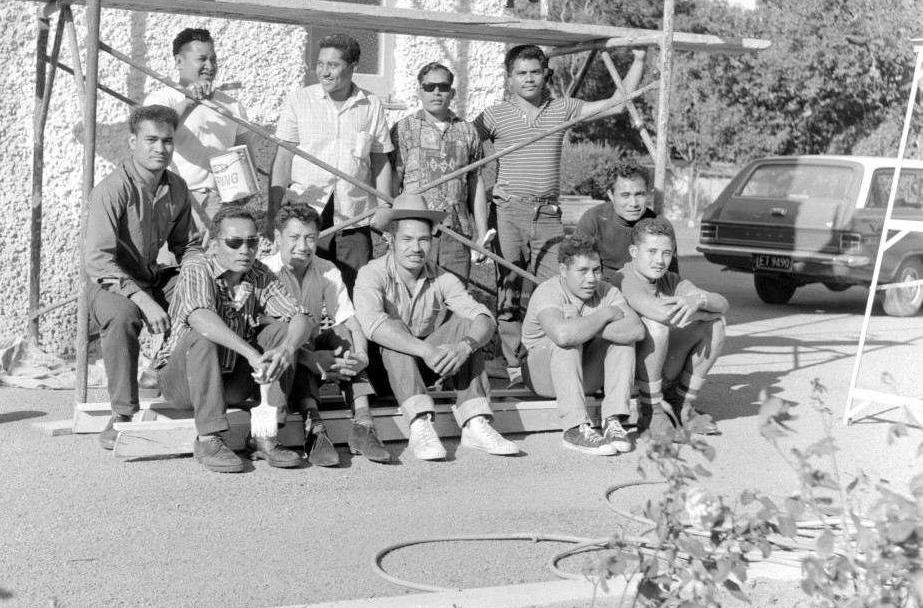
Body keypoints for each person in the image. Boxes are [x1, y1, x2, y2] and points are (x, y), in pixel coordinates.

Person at [473, 43, 646, 385]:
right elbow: (463, 148)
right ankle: (511, 364)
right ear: (509, 78)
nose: (528, 79)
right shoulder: (493, 115)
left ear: (545, 74)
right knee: (508, 288)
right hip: (508, 211)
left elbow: (616, 102)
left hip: (548, 213)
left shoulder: (562, 108)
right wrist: (490, 187)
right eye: (521, 73)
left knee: (559, 283)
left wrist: (640, 59)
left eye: (535, 71)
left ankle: (556, 356)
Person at [354, 194, 520, 461]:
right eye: (407, 239)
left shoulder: (442, 276)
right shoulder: (372, 272)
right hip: (379, 372)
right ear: (390, 240)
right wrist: (426, 350)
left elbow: (484, 318)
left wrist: (464, 346)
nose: (416, 248)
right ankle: (420, 423)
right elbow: (374, 326)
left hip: (423, 367)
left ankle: (475, 422)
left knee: (467, 326)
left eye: (423, 239)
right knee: (394, 330)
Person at [153, 204, 316, 473]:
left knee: (282, 331)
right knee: (204, 336)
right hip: (184, 384)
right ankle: (208, 440)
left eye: (252, 242)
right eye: (234, 242)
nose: (245, 250)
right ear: (215, 244)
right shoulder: (197, 266)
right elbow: (200, 317)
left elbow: (301, 315)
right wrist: (251, 354)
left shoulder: (259, 273)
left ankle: (265, 434)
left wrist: (288, 348)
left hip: (232, 382)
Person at [85, 105, 202, 450]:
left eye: (167, 141)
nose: (160, 148)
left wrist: (198, 275)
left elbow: (189, 246)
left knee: (203, 295)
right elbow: (98, 261)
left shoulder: (177, 187)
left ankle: (171, 377)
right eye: (151, 140)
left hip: (151, 277)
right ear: (132, 141)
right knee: (125, 316)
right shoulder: (112, 189)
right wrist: (144, 300)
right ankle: (122, 413)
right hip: (108, 283)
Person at [263, 201, 390, 466]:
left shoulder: (326, 268)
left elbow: (349, 319)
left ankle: (363, 423)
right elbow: (266, 335)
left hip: (314, 350)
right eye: (294, 237)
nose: (303, 246)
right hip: (281, 358)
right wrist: (311, 359)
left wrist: (360, 357)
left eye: (310, 238)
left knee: (343, 332)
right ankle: (314, 426)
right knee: (290, 337)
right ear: (277, 238)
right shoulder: (263, 271)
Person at [267, 33, 394, 289]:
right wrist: (272, 214)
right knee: (299, 288)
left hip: (354, 215)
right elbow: (283, 160)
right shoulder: (299, 100)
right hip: (306, 213)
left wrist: (384, 207)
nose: (324, 72)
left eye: (333, 65)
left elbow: (380, 161)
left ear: (353, 67)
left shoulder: (371, 105)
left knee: (355, 288)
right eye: (320, 64)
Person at [520, 236, 644, 456]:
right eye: (582, 271)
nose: (592, 279)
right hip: (542, 375)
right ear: (563, 270)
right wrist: (605, 314)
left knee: (623, 341)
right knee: (570, 340)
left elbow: (636, 330)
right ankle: (574, 428)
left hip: (581, 375)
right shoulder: (548, 291)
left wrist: (584, 321)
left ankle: (612, 420)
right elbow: (564, 336)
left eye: (597, 270)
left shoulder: (607, 291)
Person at [614, 219, 729, 438]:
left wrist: (700, 302)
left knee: (715, 326)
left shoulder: (671, 280)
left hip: (661, 371)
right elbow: (661, 313)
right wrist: (702, 310)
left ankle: (683, 405)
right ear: (633, 251)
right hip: (629, 380)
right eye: (652, 251)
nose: (659, 260)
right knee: (656, 325)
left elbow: (722, 304)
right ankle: (650, 411)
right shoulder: (624, 278)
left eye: (666, 253)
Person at [148, 27, 256, 241]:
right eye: (202, 59)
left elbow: (245, 154)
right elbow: (157, 132)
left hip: (219, 203)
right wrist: (189, 102)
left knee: (212, 270)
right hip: (172, 200)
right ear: (179, 62)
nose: (210, 66)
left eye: (213, 59)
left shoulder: (232, 105)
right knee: (170, 269)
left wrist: (245, 191)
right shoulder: (162, 99)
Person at [390, 61, 488, 281]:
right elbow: (394, 180)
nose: (436, 92)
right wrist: (392, 228)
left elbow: (475, 182)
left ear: (452, 92)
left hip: (457, 232)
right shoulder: (403, 129)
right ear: (419, 91)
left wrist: (482, 232)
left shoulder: (468, 131)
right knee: (413, 296)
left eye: (443, 87)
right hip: (415, 232)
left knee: (455, 300)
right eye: (429, 87)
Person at [575, 161, 678, 277]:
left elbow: (672, 278)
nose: (633, 203)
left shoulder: (661, 227)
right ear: (611, 195)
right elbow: (577, 271)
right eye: (625, 195)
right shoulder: (594, 220)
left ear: (647, 193)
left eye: (639, 194)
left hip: (646, 291)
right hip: (603, 290)